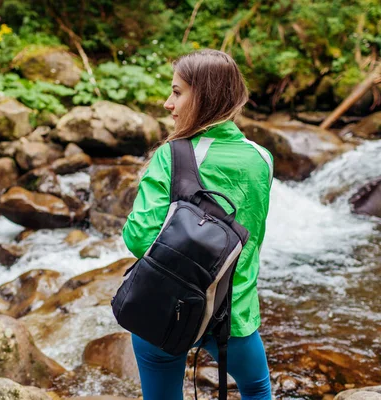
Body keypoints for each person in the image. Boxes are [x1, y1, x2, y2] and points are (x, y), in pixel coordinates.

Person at [121, 49, 273, 400]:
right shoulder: (262, 158)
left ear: (202, 96)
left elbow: (139, 237)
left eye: (176, 92)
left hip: (166, 306)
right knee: (255, 387)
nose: (166, 102)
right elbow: (251, 238)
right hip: (232, 312)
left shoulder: (171, 156)